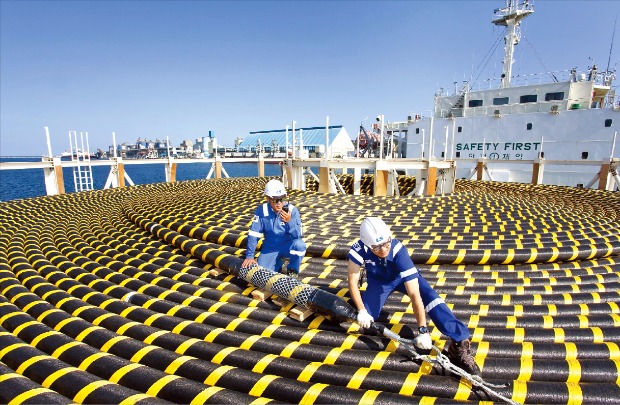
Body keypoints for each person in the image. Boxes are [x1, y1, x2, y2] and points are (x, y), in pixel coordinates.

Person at [347, 217, 481, 376]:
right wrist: (362, 310)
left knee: (431, 298)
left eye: (386, 244)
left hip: (401, 277)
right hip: (379, 281)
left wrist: (423, 331)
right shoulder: (358, 249)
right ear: (367, 245)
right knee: (368, 316)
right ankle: (362, 306)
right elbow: (352, 281)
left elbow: (414, 294)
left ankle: (459, 342)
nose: (383, 250)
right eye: (376, 247)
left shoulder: (398, 251)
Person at [242, 179, 306, 277]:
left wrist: (290, 222)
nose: (279, 203)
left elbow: (298, 235)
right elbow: (254, 234)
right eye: (276, 200)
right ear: (268, 199)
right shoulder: (261, 211)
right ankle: (279, 262)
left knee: (300, 245)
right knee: (262, 276)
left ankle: (292, 270)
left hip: (287, 246)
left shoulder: (292, 210)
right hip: (270, 248)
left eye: (282, 199)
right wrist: (250, 256)